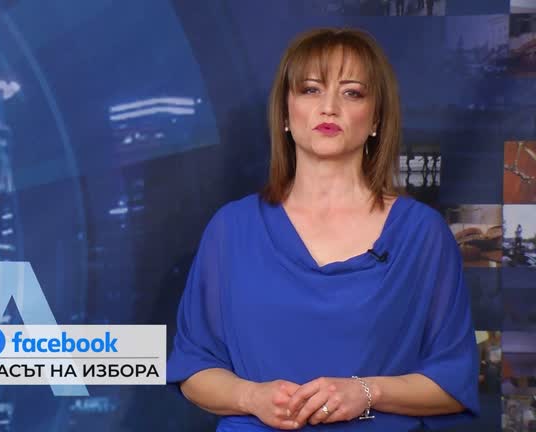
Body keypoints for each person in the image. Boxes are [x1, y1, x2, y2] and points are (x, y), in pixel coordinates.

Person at [166, 28, 480, 431]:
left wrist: (366, 391)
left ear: (376, 119)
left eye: (352, 93)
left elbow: (453, 383)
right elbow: (193, 368)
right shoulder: (231, 229)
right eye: (311, 90)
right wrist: (252, 397)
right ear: (285, 113)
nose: (329, 107)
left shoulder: (422, 234)